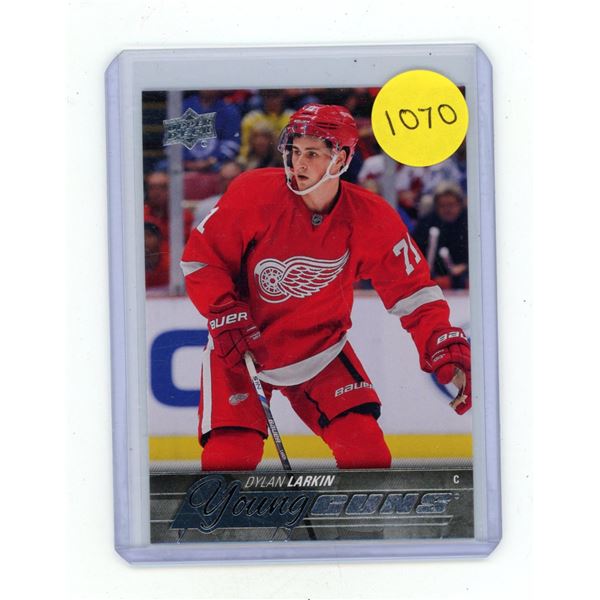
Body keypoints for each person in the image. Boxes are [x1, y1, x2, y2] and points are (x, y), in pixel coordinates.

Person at [181, 104, 471, 472]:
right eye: (294, 151)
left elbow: (414, 294)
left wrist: (440, 343)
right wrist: (222, 309)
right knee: (229, 460)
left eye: (313, 154)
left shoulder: (372, 217)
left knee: (368, 456)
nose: (298, 164)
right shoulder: (253, 192)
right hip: (242, 347)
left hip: (321, 351)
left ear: (342, 159)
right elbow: (202, 260)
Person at [412, 183, 469, 289]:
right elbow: (416, 254)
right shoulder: (426, 224)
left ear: (460, 204)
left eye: (451, 205)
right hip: (434, 281)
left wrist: (466, 267)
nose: (447, 209)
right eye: (442, 205)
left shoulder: (470, 223)